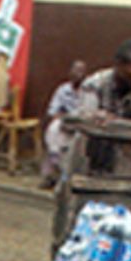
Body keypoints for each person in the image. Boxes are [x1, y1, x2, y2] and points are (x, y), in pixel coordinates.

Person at [40, 59, 87, 188]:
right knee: (53, 131)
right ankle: (50, 175)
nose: (78, 74)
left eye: (81, 71)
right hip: (63, 123)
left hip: (80, 127)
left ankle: (68, 177)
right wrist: (62, 118)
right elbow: (53, 111)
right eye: (75, 71)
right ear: (70, 73)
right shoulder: (62, 90)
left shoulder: (87, 92)